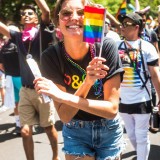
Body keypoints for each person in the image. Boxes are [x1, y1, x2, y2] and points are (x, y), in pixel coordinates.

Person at [34, 0, 125, 160]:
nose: (74, 17)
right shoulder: (50, 56)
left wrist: (63, 97)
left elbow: (111, 110)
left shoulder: (106, 47)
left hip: (108, 128)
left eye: (81, 13)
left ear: (89, 17)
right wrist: (87, 82)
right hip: (75, 129)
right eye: (66, 13)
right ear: (57, 21)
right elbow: (65, 116)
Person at [0, 0, 59, 160]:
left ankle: (55, 156)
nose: (26, 15)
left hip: (42, 90)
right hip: (25, 90)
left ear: (35, 18)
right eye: (23, 14)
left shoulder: (43, 32)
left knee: (48, 128)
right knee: (25, 131)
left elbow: (46, 12)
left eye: (30, 13)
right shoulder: (17, 37)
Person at [117, 12, 160, 160]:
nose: (121, 27)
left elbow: (155, 75)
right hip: (122, 101)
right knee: (131, 135)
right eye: (121, 24)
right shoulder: (116, 46)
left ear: (136, 27)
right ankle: (141, 153)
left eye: (125, 24)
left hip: (142, 100)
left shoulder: (148, 48)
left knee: (141, 136)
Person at [0, 25, 22, 135]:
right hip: (22, 77)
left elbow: (1, 66)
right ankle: (28, 124)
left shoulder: (4, 47)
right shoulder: (20, 45)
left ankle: (18, 125)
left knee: (16, 103)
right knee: (26, 103)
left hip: (10, 78)